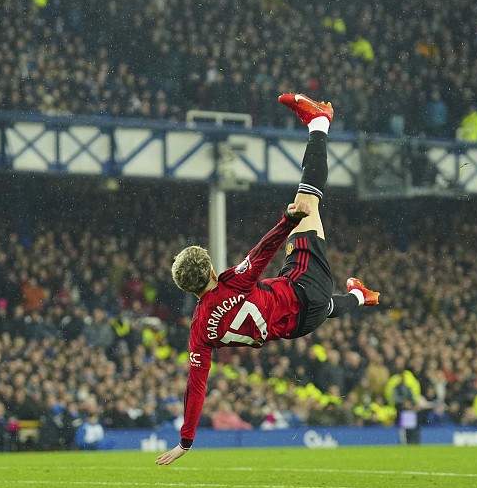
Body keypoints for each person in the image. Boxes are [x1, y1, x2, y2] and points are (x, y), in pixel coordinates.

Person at [157, 94, 380, 466]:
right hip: (302, 287)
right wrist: (288, 221)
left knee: (324, 305)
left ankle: (359, 297)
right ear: (211, 271)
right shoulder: (231, 283)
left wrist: (186, 440)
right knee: (309, 202)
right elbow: (261, 254)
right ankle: (320, 122)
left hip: (299, 324)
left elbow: (196, 386)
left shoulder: (200, 331)